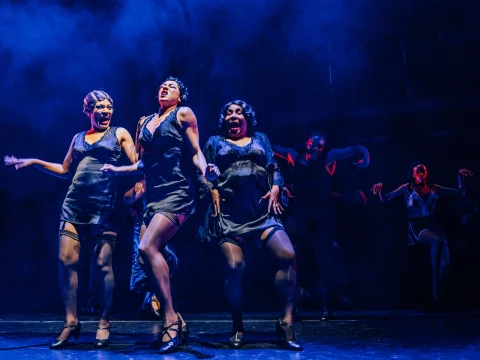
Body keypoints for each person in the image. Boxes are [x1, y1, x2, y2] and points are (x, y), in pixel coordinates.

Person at [4, 90, 137, 349]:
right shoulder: (78, 138)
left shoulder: (119, 133)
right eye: (99, 106)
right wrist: (34, 161)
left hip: (104, 209)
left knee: (102, 266)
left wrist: (138, 188)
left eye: (109, 106)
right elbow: (66, 171)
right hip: (74, 206)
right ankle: (70, 321)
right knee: (66, 261)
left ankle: (104, 321)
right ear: (88, 111)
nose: (105, 110)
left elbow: (137, 163)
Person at [101, 77, 219, 354]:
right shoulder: (144, 122)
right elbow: (142, 162)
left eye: (172, 86)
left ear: (180, 96)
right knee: (146, 257)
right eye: (162, 85)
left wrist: (206, 171)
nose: (165, 88)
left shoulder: (183, 114)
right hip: (153, 196)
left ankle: (170, 322)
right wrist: (118, 171)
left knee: (147, 247)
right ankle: (178, 320)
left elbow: (196, 151)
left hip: (177, 193)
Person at [197, 100, 302, 351]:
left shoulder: (260, 139)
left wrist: (276, 185)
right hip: (229, 215)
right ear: (224, 120)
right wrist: (210, 187)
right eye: (229, 113)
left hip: (261, 212)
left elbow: (273, 167)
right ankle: (237, 325)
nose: (233, 116)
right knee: (235, 267)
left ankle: (286, 322)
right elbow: (202, 173)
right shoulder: (214, 142)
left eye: (239, 112)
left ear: (247, 118)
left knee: (287, 255)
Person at [273, 132, 369, 320]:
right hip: (300, 213)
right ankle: (295, 304)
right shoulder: (294, 156)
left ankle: (326, 305)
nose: (316, 148)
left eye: (320, 146)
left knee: (323, 259)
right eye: (313, 144)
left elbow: (356, 149)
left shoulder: (329, 157)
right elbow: (271, 147)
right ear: (306, 143)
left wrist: (365, 158)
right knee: (290, 256)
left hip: (323, 215)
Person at [371, 162, 473, 309]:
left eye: (422, 171)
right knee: (437, 242)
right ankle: (435, 287)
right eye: (417, 172)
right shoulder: (407, 188)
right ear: (412, 175)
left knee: (445, 260)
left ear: (426, 174)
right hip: (417, 226)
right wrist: (380, 187)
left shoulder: (434, 188)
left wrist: (459, 176)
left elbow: (460, 192)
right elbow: (385, 199)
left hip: (434, 226)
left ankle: (439, 295)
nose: (420, 174)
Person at [123, 178, 188, 344]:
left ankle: (171, 318)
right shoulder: (142, 170)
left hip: (170, 209)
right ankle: (177, 318)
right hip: (147, 214)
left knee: (159, 259)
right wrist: (134, 195)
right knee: (146, 265)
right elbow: (126, 198)